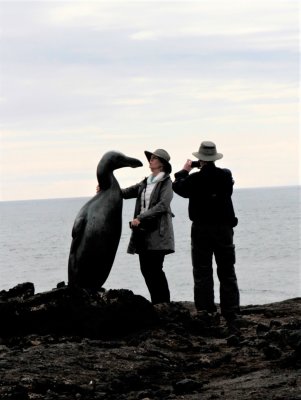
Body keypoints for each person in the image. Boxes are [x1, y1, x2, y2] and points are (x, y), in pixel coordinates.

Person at [172, 141, 240, 328]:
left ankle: (206, 311)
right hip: (224, 228)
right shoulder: (226, 176)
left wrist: (184, 170)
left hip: (201, 228)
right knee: (227, 271)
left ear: (199, 159)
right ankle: (231, 313)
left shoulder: (194, 179)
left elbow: (177, 187)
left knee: (202, 271)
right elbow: (227, 184)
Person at [98, 149, 175, 304]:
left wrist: (140, 217)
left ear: (162, 164)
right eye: (151, 158)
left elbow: (163, 205)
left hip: (158, 233)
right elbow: (125, 193)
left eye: (154, 158)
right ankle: (157, 303)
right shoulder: (146, 182)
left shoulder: (166, 183)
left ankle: (164, 303)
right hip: (143, 233)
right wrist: (106, 189)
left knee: (155, 269)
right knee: (146, 269)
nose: (150, 161)